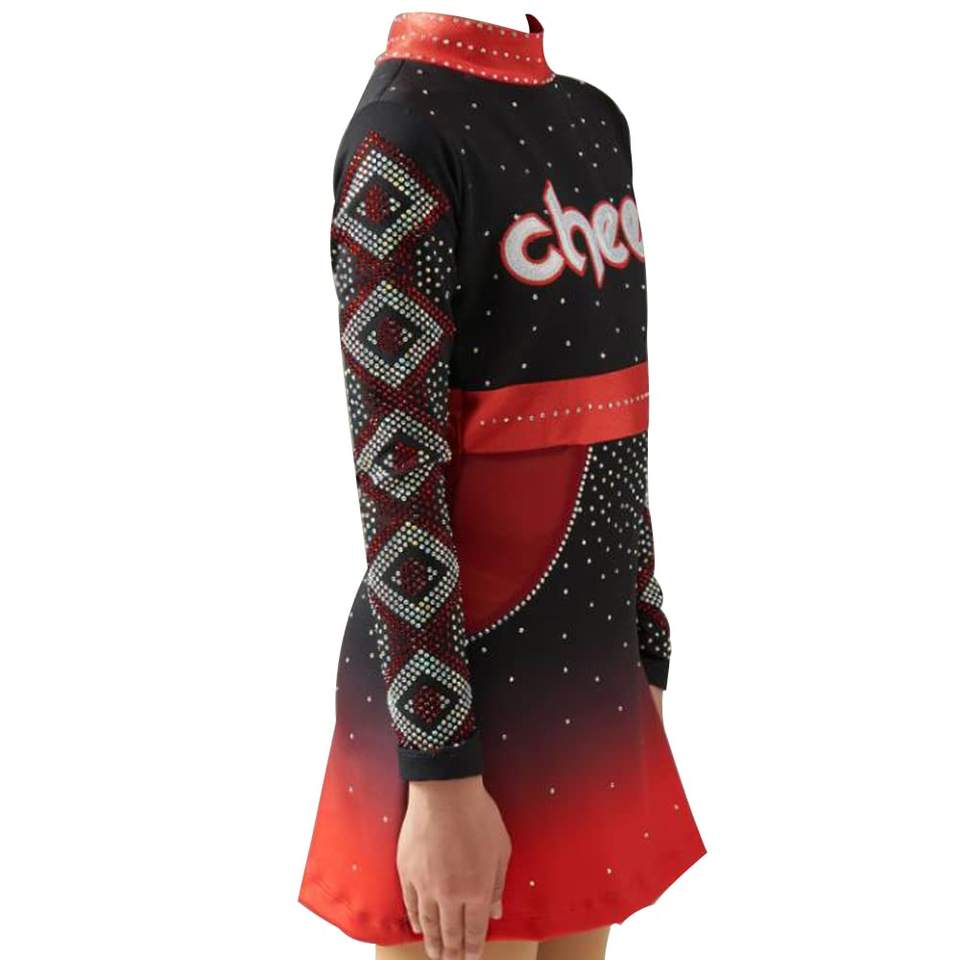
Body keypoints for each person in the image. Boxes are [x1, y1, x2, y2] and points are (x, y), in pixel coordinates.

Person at [299, 12, 706, 960]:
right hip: (453, 689)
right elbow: (396, 469)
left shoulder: (594, 120)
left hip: (587, 667)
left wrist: (645, 643)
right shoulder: (401, 136)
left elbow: (620, 419)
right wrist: (439, 770)